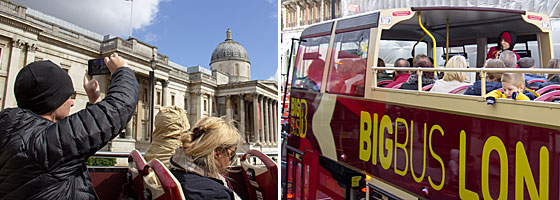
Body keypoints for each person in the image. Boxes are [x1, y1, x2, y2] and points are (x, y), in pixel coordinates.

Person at [0, 53, 138, 199]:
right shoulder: (43, 144)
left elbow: (78, 137)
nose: (72, 102)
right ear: (53, 101)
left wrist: (93, 101)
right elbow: (117, 110)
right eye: (69, 96)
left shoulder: (18, 133)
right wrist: (122, 71)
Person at [170, 117, 242, 200]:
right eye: (231, 154)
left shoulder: (175, 172)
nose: (230, 162)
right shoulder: (215, 194)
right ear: (217, 152)